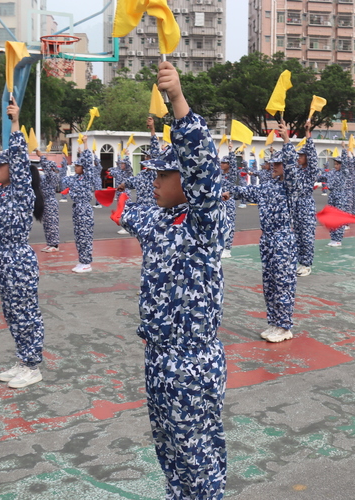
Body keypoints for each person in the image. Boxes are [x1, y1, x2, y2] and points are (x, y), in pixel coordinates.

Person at [117, 61, 227, 499]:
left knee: (198, 455)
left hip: (191, 363)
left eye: (165, 173)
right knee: (170, 451)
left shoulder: (203, 222)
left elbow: (203, 164)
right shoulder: (161, 220)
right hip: (159, 358)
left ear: (187, 178)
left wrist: (177, 102)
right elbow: (130, 211)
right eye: (154, 173)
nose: (156, 181)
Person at [0, 102, 46, 389]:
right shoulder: (1, 194)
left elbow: (20, 157)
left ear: (13, 168)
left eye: (0, 164)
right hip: (3, 258)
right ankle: (22, 359)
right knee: (11, 311)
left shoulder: (21, 191)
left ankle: (33, 366)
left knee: (25, 312)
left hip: (19, 259)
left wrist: (15, 121)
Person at [227, 120, 297, 343]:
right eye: (273, 163)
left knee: (283, 283)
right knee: (270, 283)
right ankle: (275, 323)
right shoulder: (270, 186)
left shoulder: (291, 186)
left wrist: (286, 141)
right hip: (267, 239)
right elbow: (246, 192)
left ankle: (285, 326)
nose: (274, 166)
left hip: (283, 238)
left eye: (278, 164)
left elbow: (293, 167)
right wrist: (229, 192)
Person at [61, 135, 96, 273]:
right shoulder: (75, 178)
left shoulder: (87, 177)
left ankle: (87, 262)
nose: (75, 167)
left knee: (85, 236)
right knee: (79, 236)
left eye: (78, 165)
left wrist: (86, 143)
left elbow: (88, 161)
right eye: (75, 165)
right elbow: (63, 180)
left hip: (84, 208)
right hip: (76, 207)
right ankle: (82, 260)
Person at [292, 121, 320, 277]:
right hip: (296, 205)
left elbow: (314, 157)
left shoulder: (310, 172)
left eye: (302, 155)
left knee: (306, 236)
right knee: (297, 236)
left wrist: (308, 134)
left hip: (306, 205)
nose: (299, 158)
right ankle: (299, 263)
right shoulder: (297, 171)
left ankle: (306, 264)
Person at [37, 150, 61, 252]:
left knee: (52, 224)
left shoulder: (53, 177)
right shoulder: (45, 177)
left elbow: (46, 168)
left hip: (51, 202)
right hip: (45, 201)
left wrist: (42, 157)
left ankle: (55, 245)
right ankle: (49, 243)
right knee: (46, 224)